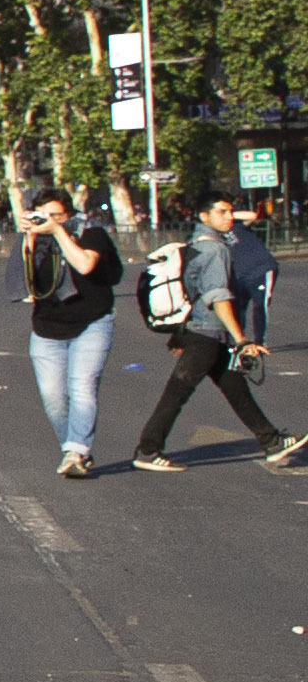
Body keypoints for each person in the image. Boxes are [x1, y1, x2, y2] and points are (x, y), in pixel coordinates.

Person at [130, 188, 298, 472]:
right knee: (177, 392)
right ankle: (148, 449)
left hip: (204, 332)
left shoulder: (196, 243)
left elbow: (190, 293)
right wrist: (242, 339)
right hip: (207, 334)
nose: (229, 216)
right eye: (222, 211)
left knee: (236, 389)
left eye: (230, 211)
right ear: (205, 215)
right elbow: (217, 298)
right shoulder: (216, 249)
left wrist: (179, 334)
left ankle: (271, 441)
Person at [16, 186, 119, 481]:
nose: (49, 220)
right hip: (47, 326)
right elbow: (24, 280)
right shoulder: (36, 238)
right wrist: (30, 236)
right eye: (42, 215)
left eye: (56, 215)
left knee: (82, 385)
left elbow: (85, 265)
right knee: (53, 396)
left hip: (92, 320)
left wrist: (59, 232)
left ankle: (76, 452)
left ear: (68, 213)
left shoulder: (91, 232)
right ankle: (75, 448)